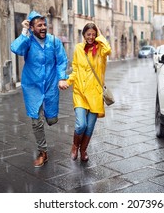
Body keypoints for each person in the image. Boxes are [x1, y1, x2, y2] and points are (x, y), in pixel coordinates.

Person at [11, 11, 69, 167]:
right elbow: (16, 49)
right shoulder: (28, 41)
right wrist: (23, 32)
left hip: (50, 84)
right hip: (32, 86)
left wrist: (62, 77)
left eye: (45, 24)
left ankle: (49, 116)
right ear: (32, 27)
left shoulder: (54, 42)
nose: (43, 27)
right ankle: (43, 152)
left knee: (51, 119)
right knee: (36, 121)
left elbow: (62, 61)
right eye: (39, 25)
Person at [66, 22, 111, 161]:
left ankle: (83, 150)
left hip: (95, 93)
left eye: (93, 34)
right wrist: (68, 82)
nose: (91, 37)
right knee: (81, 125)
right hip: (80, 91)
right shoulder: (78, 48)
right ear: (83, 35)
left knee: (89, 127)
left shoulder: (101, 50)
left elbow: (108, 49)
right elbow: (75, 69)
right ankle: (75, 145)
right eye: (88, 34)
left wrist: (100, 34)